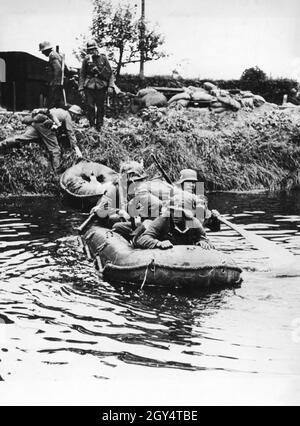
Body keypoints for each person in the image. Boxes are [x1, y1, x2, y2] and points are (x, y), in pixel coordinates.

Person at [91, 160, 162, 240]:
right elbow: (102, 210)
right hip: (122, 220)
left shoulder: (143, 188)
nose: (137, 185)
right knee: (114, 219)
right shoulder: (113, 189)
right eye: (134, 182)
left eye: (140, 181)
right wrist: (119, 212)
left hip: (139, 220)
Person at [0, 105, 83, 171]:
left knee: (23, 138)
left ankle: (2, 144)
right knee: (55, 149)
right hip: (46, 127)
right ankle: (57, 170)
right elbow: (70, 132)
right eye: (78, 116)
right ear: (73, 113)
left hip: (37, 123)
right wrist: (76, 148)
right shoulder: (68, 116)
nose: (77, 118)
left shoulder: (60, 111)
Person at [133, 202, 213, 250]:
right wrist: (158, 243)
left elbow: (205, 239)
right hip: (164, 253)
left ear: (185, 214)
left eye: (179, 212)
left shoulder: (193, 223)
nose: (175, 215)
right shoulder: (164, 220)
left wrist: (203, 242)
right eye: (172, 211)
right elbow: (143, 239)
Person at [79, 40, 114, 130]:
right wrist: (81, 88)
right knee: (90, 106)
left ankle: (99, 125)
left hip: (101, 86)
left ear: (96, 49)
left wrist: (110, 86)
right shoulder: (86, 60)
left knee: (100, 106)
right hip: (89, 85)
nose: (91, 51)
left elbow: (110, 73)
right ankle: (92, 125)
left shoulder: (103, 58)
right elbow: (82, 74)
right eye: (89, 50)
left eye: (93, 49)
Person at [39, 41, 65, 108]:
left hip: (56, 83)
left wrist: (55, 84)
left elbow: (58, 70)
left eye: (43, 51)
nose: (42, 53)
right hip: (56, 82)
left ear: (47, 50)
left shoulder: (52, 55)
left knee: (53, 102)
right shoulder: (54, 54)